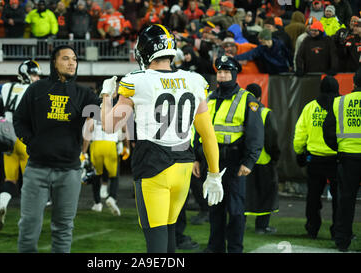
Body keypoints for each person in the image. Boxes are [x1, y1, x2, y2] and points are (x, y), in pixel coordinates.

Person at [100, 24, 222, 253]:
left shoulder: (137, 81)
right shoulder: (193, 80)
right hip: (183, 167)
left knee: (156, 245)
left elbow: (108, 125)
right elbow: (208, 134)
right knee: (169, 236)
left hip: (153, 166)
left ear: (145, 51)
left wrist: (107, 95)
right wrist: (214, 173)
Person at [13, 45, 101, 253]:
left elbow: (105, 117)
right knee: (28, 225)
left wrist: (108, 95)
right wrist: (32, 142)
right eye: (66, 58)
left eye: (75, 59)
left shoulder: (83, 93)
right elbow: (19, 119)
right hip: (37, 169)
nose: (72, 63)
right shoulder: (36, 89)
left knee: (63, 228)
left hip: (69, 171)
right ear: (54, 62)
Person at [202, 55, 264, 253]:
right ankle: (215, 248)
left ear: (235, 74)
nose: (222, 75)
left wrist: (249, 162)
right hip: (212, 161)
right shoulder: (209, 98)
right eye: (219, 72)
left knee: (236, 210)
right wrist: (196, 158)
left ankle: (235, 249)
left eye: (226, 72)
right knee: (215, 207)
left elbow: (255, 133)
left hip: (236, 161)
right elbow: (199, 131)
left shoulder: (247, 99)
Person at [0, 60, 41, 231]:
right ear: (27, 74)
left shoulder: (6, 87)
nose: (37, 78)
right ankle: (28, 218)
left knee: (10, 179)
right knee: (30, 181)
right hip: (24, 138)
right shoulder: (33, 90)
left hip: (6, 138)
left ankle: (3, 205)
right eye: (34, 74)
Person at [294, 76, 340, 239]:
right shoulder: (340, 106)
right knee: (339, 199)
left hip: (314, 159)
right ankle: (338, 232)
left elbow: (300, 133)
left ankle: (312, 230)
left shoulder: (310, 107)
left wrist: (299, 152)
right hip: (337, 160)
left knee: (313, 198)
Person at [323, 68, 361, 252]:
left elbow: (328, 131)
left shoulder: (340, 102)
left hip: (347, 158)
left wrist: (339, 149)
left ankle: (342, 241)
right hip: (349, 156)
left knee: (346, 201)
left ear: (354, 83)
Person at [244, 83, 280, 235]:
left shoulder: (240, 112)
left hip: (244, 162)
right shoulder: (265, 113)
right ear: (259, 97)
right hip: (263, 160)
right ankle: (262, 226)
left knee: (243, 195)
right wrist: (275, 157)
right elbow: (272, 139)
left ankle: (240, 224)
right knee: (266, 194)